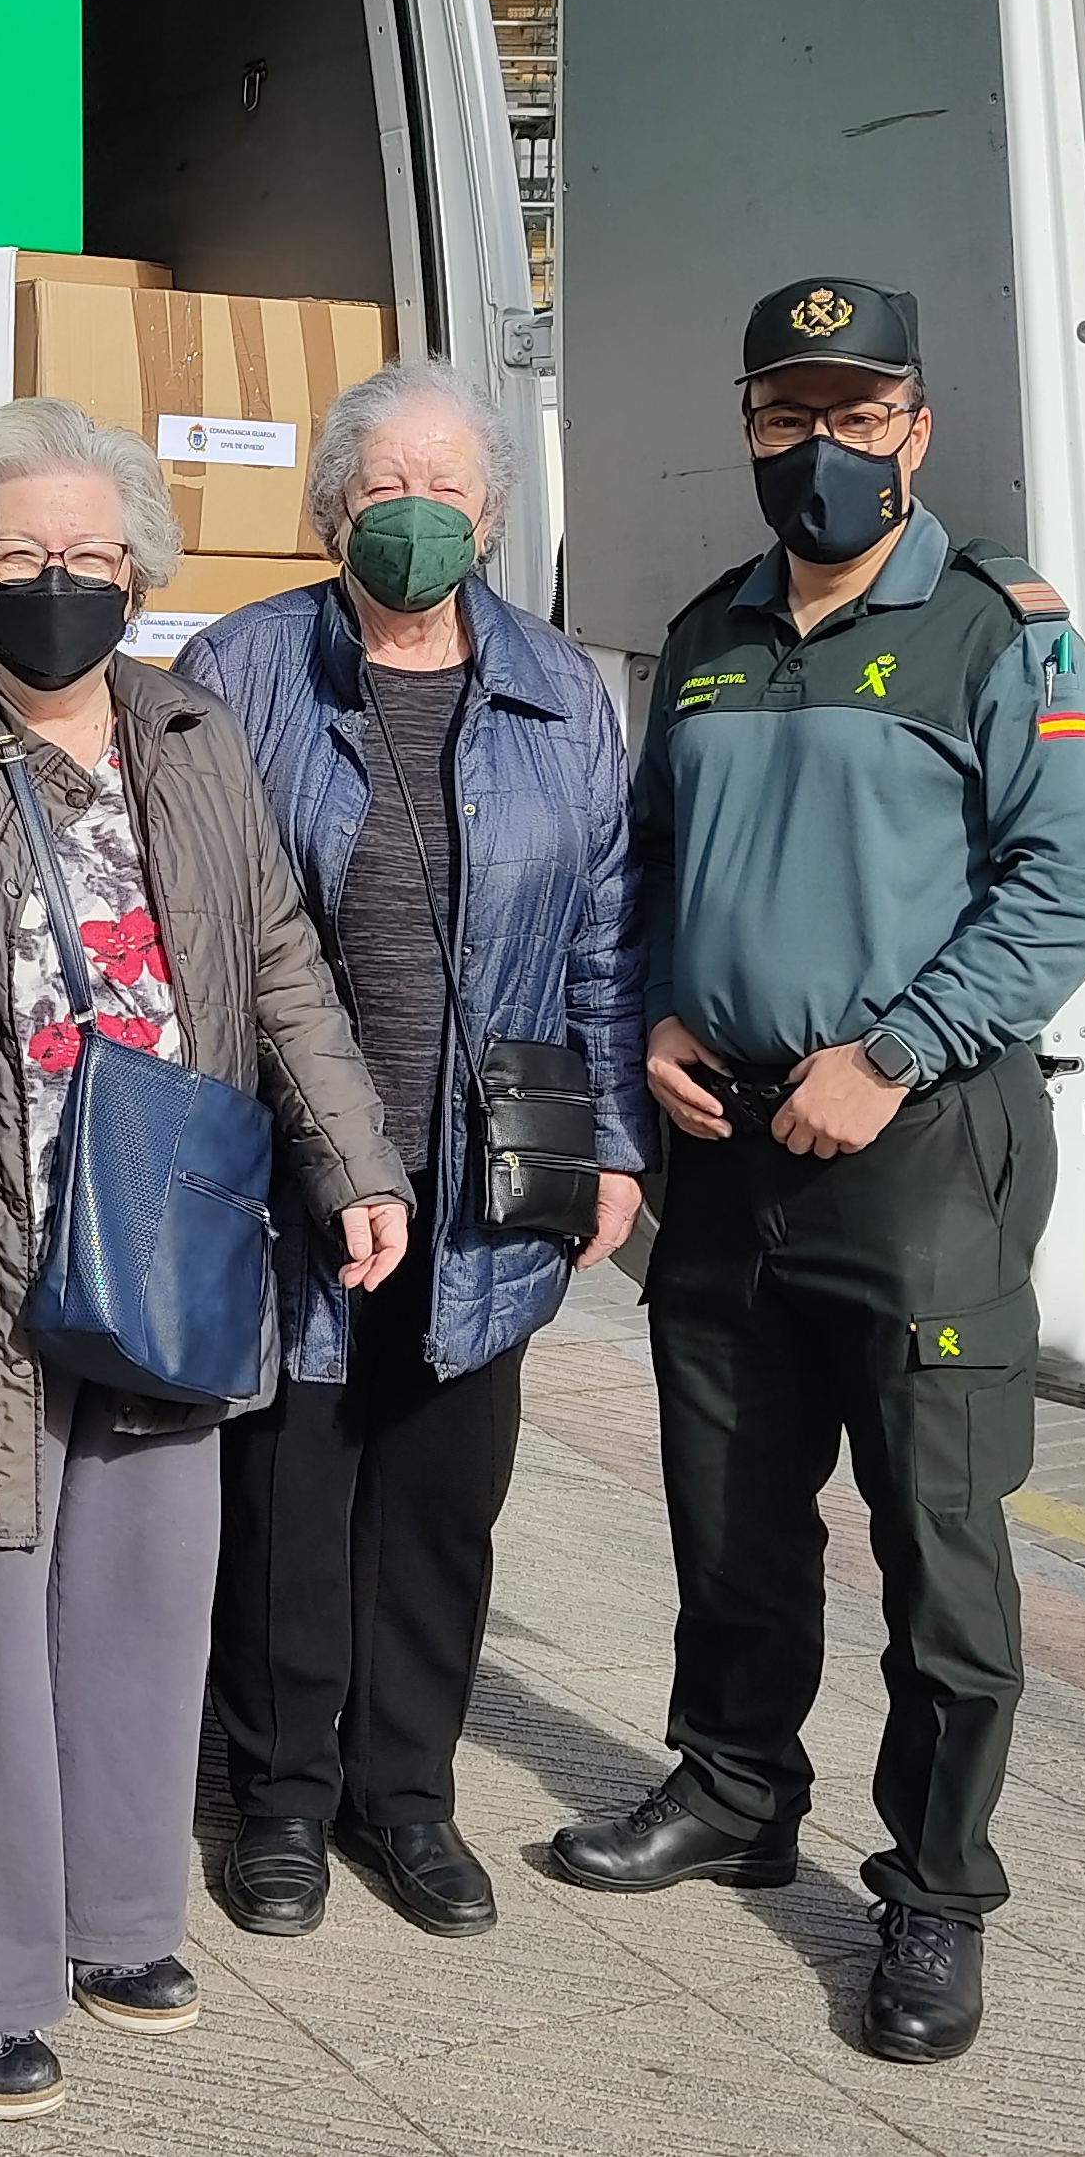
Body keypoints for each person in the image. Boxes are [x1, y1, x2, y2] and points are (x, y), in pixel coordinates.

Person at [0, 397, 413, 2124]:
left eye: (92, 556)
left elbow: (277, 963)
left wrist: (351, 1155)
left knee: (138, 1589)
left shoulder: (194, 740)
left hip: (161, 1227)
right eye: (23, 555)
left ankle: (114, 1917)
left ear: (142, 573)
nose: (59, 581)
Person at [548, 281, 1085, 2067]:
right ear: (746, 426)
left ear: (915, 432)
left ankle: (935, 1892)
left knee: (938, 1547)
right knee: (727, 1507)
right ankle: (732, 1789)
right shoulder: (706, 632)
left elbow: (1069, 886)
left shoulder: (999, 631)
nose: (819, 449)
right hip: (723, 1144)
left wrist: (886, 1057)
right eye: (786, 414)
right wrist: (648, 1022)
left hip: (912, 1153)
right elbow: (645, 870)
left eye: (855, 415)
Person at [173, 361, 647, 1941]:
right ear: (327, 507)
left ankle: (409, 1801)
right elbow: (193, 926)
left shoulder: (562, 688)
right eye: (386, 485)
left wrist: (615, 1150)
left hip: (488, 1172)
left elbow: (602, 940)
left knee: (440, 1508)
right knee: (289, 1502)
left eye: (449, 488)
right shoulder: (238, 669)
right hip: (286, 1171)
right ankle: (282, 1802)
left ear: (493, 513)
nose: (417, 514)